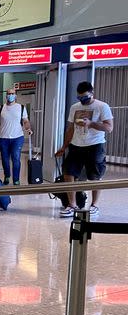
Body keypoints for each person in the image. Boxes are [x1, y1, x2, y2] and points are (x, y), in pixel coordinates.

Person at [55, 81, 114, 218]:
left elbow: (109, 128)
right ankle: (72, 205)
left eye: (85, 97)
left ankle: (94, 205)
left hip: (95, 145)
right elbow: (70, 129)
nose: (82, 100)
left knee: (95, 176)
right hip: (76, 146)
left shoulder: (102, 106)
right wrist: (64, 147)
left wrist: (92, 123)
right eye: (80, 98)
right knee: (68, 173)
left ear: (91, 94)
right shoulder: (74, 107)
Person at [0, 89, 32, 185]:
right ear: (6, 95)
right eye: (8, 94)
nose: (10, 95)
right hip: (3, 137)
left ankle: (16, 179)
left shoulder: (21, 108)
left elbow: (25, 121)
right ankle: (7, 176)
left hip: (17, 137)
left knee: (16, 158)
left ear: (15, 95)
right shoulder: (0, 108)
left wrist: (28, 129)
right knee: (5, 159)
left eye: (12, 94)